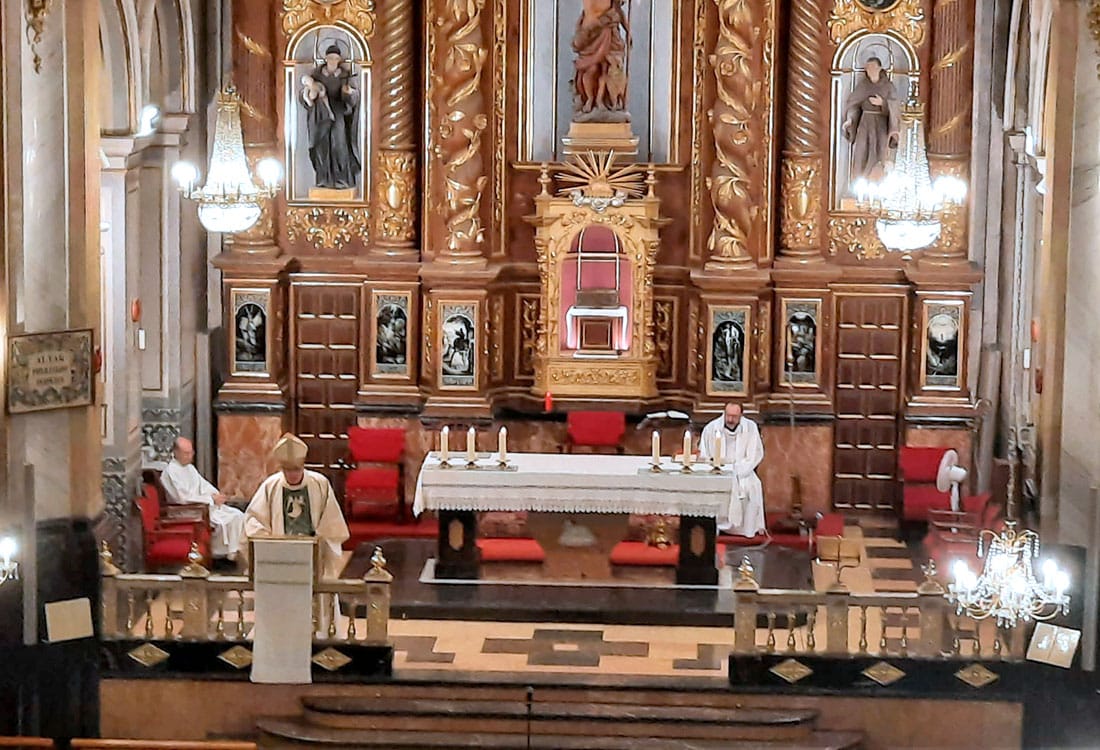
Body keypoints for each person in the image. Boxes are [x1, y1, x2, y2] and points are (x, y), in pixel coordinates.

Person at [242, 433, 350, 579]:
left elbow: (331, 520)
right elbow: (254, 519)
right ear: (282, 469)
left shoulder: (319, 483)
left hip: (313, 552)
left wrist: (319, 541)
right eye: (288, 471)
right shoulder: (271, 485)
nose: (293, 475)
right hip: (280, 554)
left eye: (296, 470)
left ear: (303, 466)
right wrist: (269, 541)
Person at [161, 437, 246, 561]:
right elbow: (182, 498)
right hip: (187, 511)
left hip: (203, 505)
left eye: (191, 452)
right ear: (176, 452)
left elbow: (203, 485)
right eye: (186, 453)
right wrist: (210, 499)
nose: (190, 456)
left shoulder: (189, 468)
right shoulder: (171, 472)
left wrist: (215, 495)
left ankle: (233, 552)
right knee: (227, 520)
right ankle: (219, 554)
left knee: (238, 515)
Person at [698, 403, 766, 537]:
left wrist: (737, 471)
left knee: (751, 486)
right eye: (728, 415)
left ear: (741, 415)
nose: (730, 419)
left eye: (734, 416)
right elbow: (704, 454)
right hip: (717, 471)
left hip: (743, 471)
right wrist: (719, 467)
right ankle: (715, 526)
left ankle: (745, 528)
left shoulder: (750, 428)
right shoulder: (711, 428)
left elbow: (754, 455)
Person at [300, 44, 361, 189]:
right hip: (320, 115)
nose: (333, 61)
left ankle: (342, 179)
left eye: (336, 58)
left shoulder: (345, 76)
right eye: (330, 58)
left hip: (338, 113)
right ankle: (323, 178)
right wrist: (310, 96)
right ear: (326, 58)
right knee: (322, 146)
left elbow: (353, 98)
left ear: (339, 60)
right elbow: (304, 96)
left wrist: (348, 93)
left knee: (339, 145)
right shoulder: (316, 75)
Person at [842, 56, 900, 183]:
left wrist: (883, 103)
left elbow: (896, 107)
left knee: (880, 152)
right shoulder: (863, 86)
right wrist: (850, 119)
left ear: (879, 68)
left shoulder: (888, 86)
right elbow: (853, 104)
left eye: (873, 67)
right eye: (868, 68)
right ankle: (860, 184)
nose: (870, 70)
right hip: (865, 123)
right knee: (861, 152)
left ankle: (878, 183)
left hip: (881, 125)